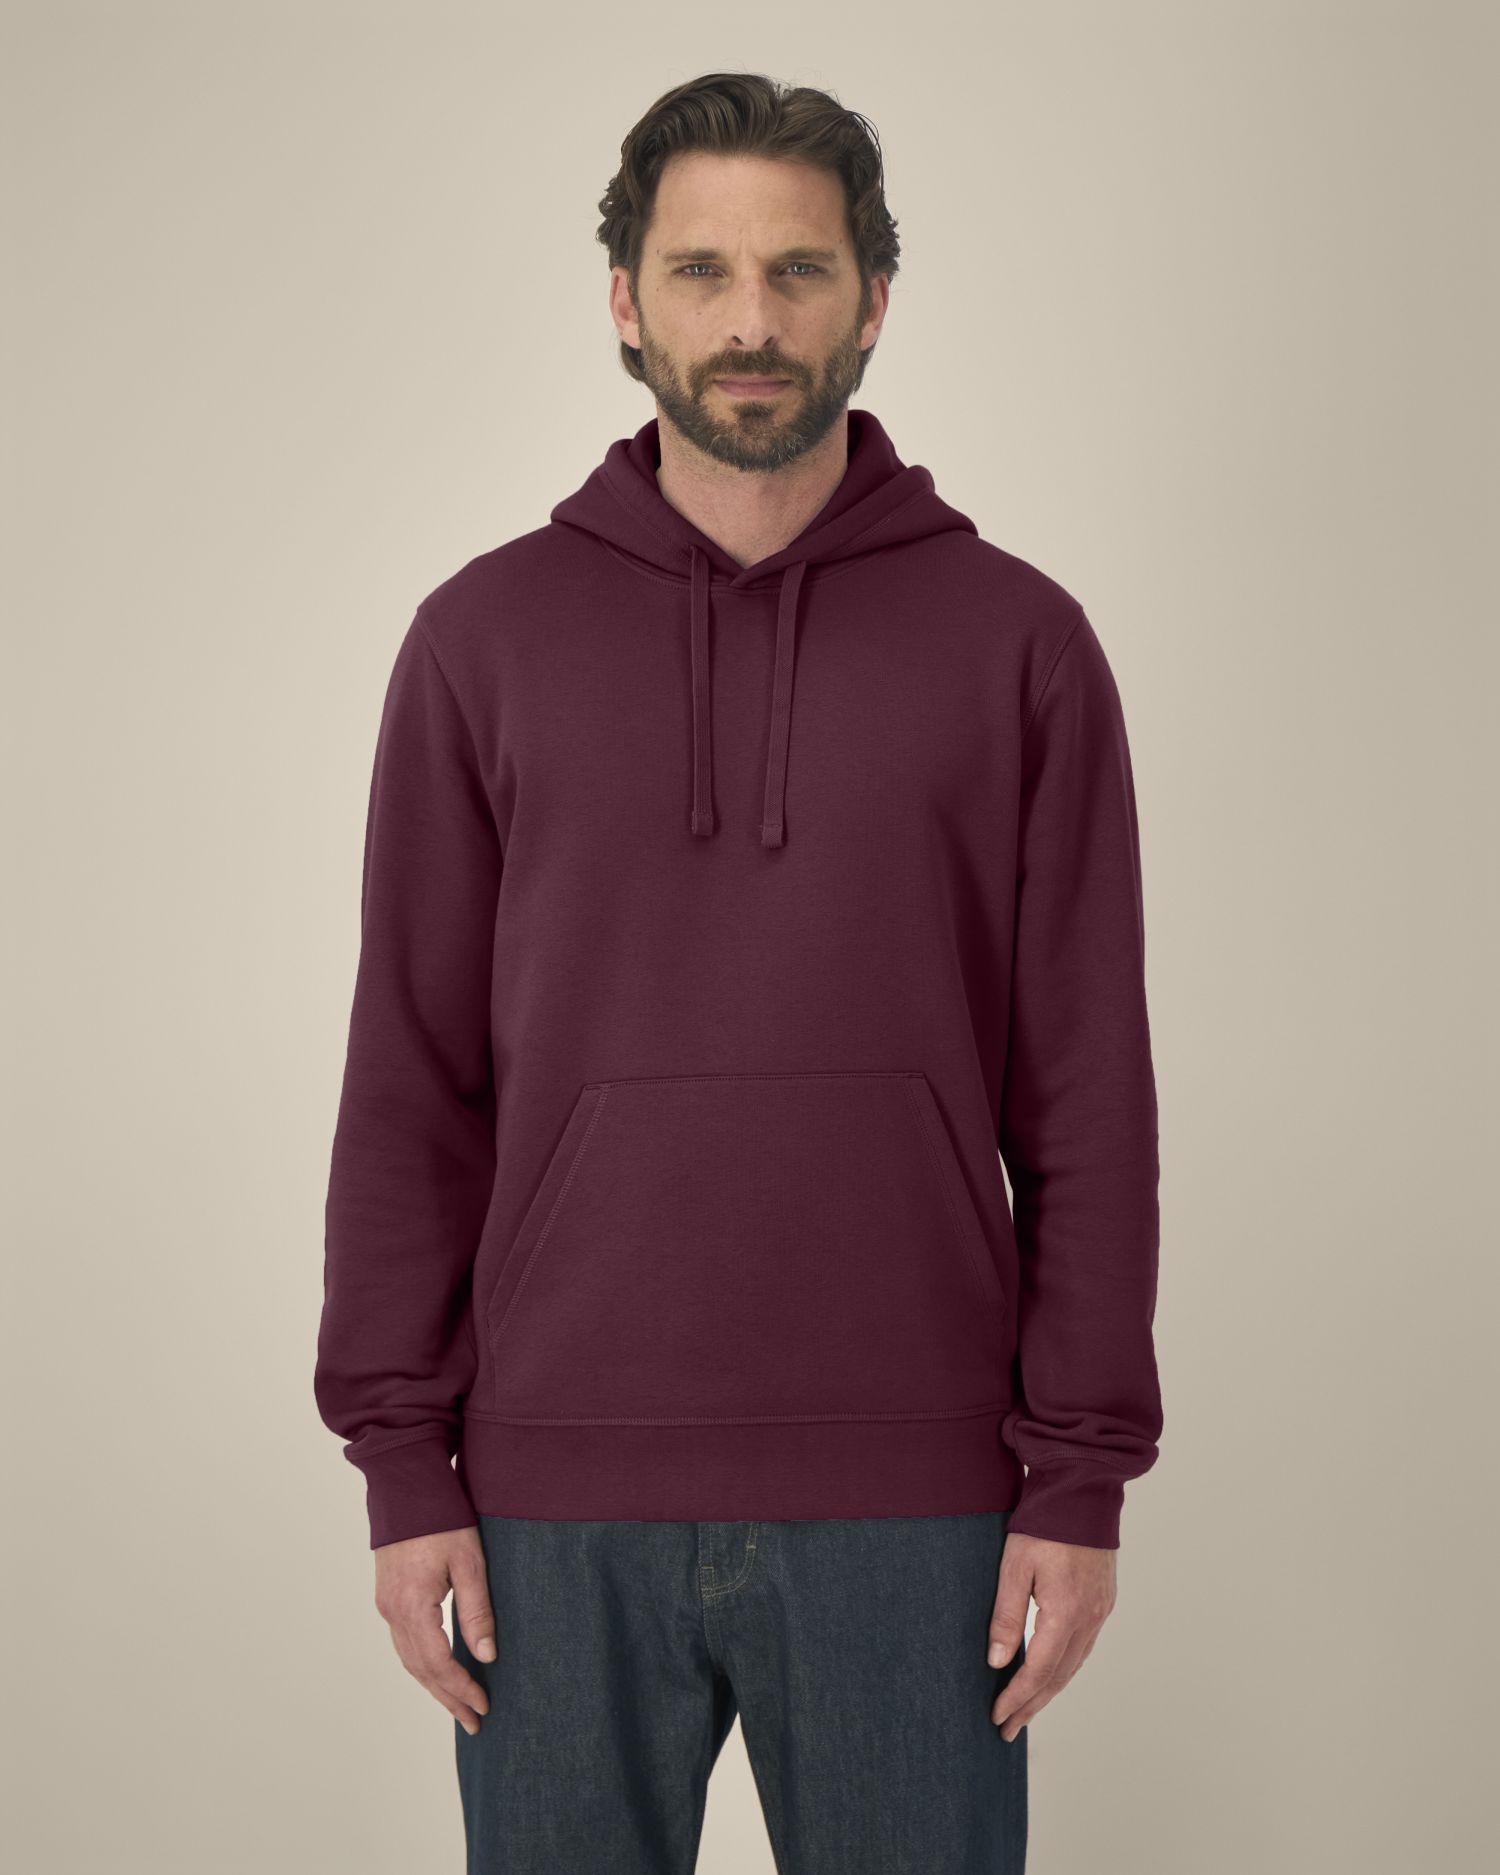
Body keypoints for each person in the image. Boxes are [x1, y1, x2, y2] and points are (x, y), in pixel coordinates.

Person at [315, 69, 1163, 1875]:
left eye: (799, 269)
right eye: (701, 271)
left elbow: (1088, 1092)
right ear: (627, 301)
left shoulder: (1020, 645)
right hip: (549, 1505)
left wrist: (1079, 1473)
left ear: (874, 298)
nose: (752, 320)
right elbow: (410, 1082)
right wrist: (403, 1463)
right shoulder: (482, 642)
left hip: (924, 1504)